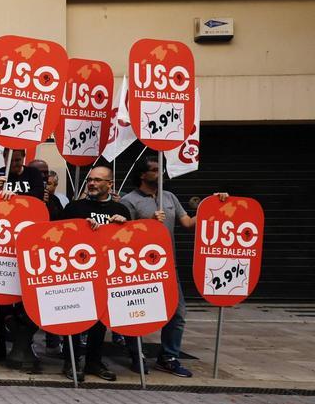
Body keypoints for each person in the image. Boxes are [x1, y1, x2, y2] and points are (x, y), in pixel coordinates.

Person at [121, 158, 229, 378]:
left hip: (169, 265)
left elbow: (188, 223)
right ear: (143, 175)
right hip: (141, 267)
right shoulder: (129, 201)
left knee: (177, 313)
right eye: (155, 170)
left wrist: (214, 204)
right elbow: (124, 234)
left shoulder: (169, 197)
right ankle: (136, 354)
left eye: (161, 169)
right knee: (137, 313)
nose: (160, 173)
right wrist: (150, 222)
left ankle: (168, 356)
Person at [60, 164, 130, 382]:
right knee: (74, 318)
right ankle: (70, 361)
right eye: (90, 179)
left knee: (100, 321)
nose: (92, 183)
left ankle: (93, 362)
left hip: (106, 274)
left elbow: (129, 243)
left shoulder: (121, 211)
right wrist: (80, 228)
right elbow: (57, 237)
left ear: (110, 184)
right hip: (78, 272)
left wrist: (124, 226)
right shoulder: (74, 208)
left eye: (98, 180)